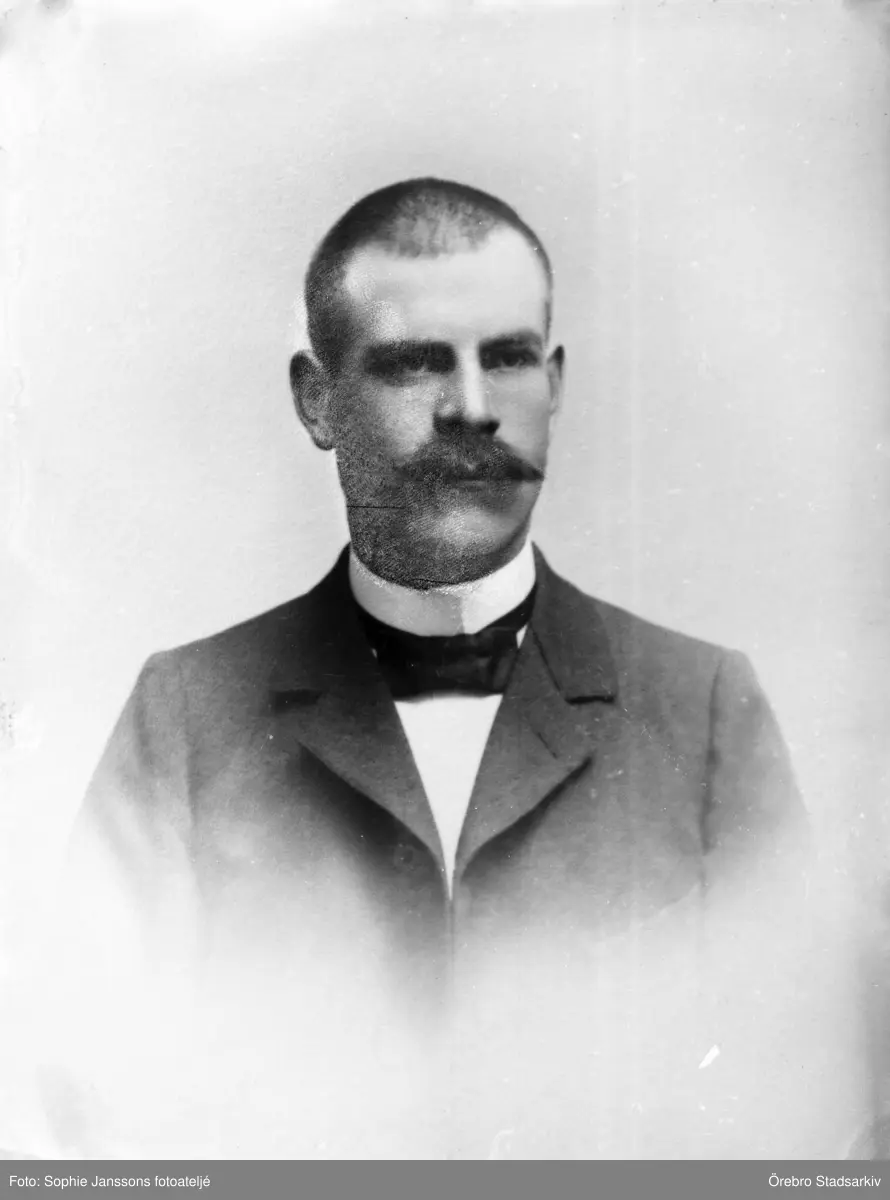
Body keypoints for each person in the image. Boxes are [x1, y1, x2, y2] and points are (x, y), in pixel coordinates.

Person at [22, 178, 862, 1160]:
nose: (473, 408)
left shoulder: (706, 705)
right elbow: (85, 1114)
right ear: (317, 400)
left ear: (553, 385)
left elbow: (804, 1107)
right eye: (415, 363)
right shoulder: (184, 713)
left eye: (506, 358)